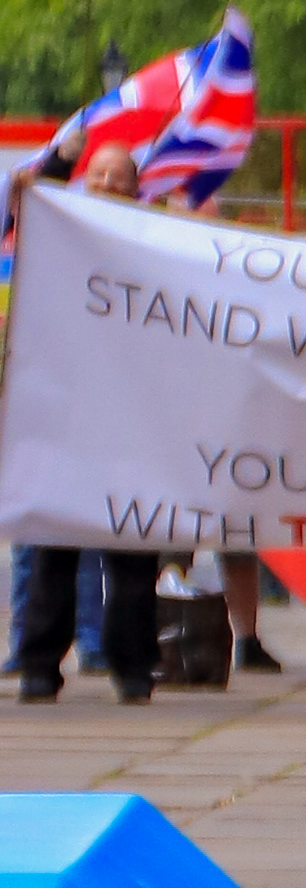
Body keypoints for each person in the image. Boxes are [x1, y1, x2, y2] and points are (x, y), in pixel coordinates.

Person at [9, 138, 163, 706]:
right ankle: (39, 666)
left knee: (131, 546)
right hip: (63, 411)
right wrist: (44, 174)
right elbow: (19, 202)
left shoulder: (154, 239)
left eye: (117, 177)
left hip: (130, 415)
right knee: (52, 542)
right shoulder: (54, 231)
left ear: (134, 191)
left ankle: (133, 667)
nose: (104, 185)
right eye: (96, 175)